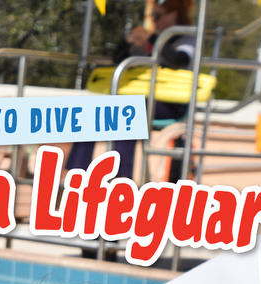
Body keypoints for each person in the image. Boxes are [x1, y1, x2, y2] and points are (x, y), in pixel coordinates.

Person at [66, 0, 197, 179]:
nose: (154, 20)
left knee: (127, 114)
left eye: (157, 16)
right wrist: (128, 43)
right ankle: (76, 174)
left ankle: (121, 179)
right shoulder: (151, 41)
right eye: (152, 16)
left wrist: (151, 38)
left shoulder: (186, 39)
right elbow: (118, 59)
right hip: (140, 100)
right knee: (92, 113)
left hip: (169, 104)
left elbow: (176, 59)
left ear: (173, 14)